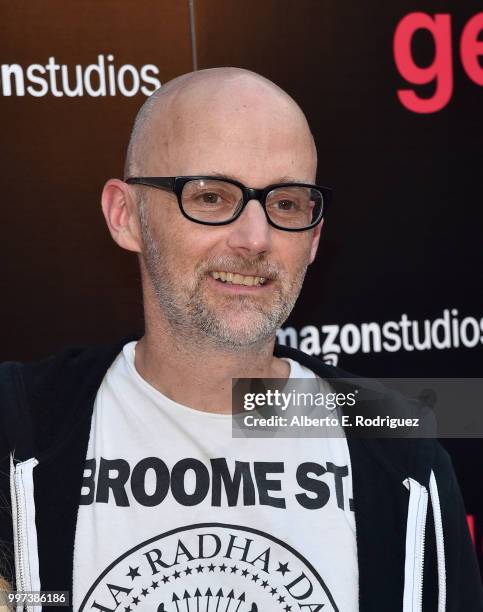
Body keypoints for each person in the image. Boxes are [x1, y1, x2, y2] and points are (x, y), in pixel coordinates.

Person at [0, 67, 481, 612]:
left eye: (286, 204)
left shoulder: (396, 446)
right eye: (209, 197)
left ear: (315, 236)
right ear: (125, 215)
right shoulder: (22, 425)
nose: (255, 239)